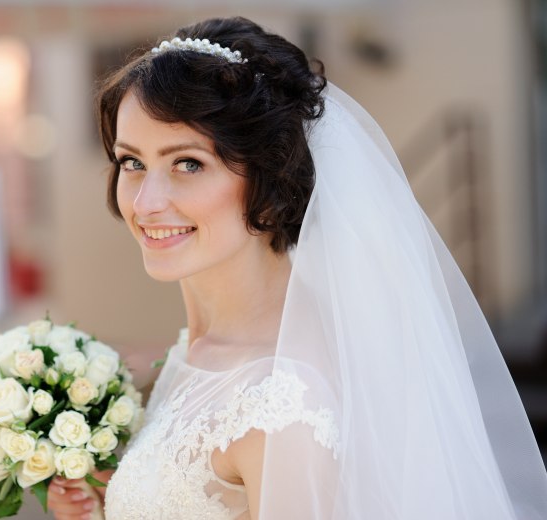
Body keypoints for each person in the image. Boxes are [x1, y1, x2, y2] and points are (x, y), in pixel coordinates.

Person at [48, 16, 547, 519]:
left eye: (188, 163)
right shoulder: (203, 348)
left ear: (269, 179)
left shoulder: (281, 406)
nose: (147, 202)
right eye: (132, 162)